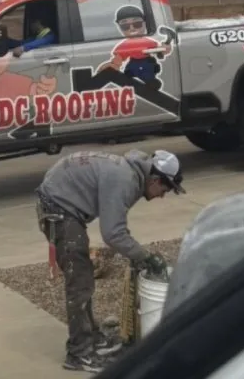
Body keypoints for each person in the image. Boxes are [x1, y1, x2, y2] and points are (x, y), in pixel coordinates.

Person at [35, 148, 185, 372]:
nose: (162, 195)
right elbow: (113, 234)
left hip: (61, 202)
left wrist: (133, 254)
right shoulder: (125, 180)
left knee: (83, 278)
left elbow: (116, 227)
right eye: (165, 189)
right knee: (80, 282)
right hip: (59, 210)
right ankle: (79, 354)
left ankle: (92, 337)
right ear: (155, 180)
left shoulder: (131, 174)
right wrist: (145, 257)